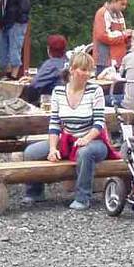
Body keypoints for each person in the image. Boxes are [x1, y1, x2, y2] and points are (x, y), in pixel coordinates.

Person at [23, 52, 119, 210]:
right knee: (31, 152)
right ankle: (35, 192)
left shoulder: (95, 91)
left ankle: (83, 197)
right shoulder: (58, 92)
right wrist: (53, 148)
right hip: (67, 140)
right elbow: (54, 124)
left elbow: (99, 123)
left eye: (90, 70)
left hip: (94, 140)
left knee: (85, 152)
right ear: (72, 70)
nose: (88, 74)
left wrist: (87, 138)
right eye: (84, 69)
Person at [92, 0, 134, 73]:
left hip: (118, 60)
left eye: (125, 5)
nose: (124, 7)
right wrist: (124, 35)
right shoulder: (102, 13)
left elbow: (123, 34)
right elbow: (102, 36)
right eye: (122, 4)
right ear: (114, 1)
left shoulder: (120, 15)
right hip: (105, 60)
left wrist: (130, 36)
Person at [19, 34, 67, 105]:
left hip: (52, 102)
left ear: (48, 49)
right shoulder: (69, 62)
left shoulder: (51, 65)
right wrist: (32, 79)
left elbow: (34, 86)